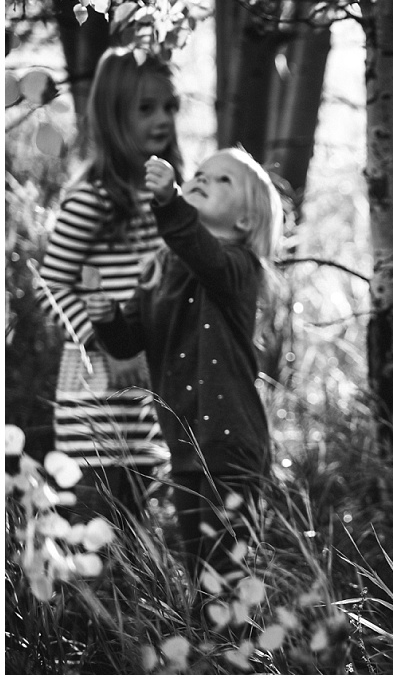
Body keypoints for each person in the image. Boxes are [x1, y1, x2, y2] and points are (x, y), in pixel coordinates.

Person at [84, 147, 282, 595]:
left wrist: (170, 200)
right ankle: (212, 656)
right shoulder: (160, 272)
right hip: (186, 448)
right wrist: (105, 315)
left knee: (228, 576)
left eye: (223, 180)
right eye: (199, 173)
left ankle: (242, 656)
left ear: (246, 222)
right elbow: (127, 342)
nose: (203, 179)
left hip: (232, 449)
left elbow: (203, 252)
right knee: (199, 570)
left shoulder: (238, 269)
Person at [36, 47, 181, 521]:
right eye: (145, 108)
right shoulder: (94, 195)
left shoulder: (162, 192)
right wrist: (108, 345)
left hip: (147, 388)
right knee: (100, 527)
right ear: (113, 115)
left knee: (143, 524)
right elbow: (52, 284)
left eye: (169, 106)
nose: (162, 119)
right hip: (99, 389)